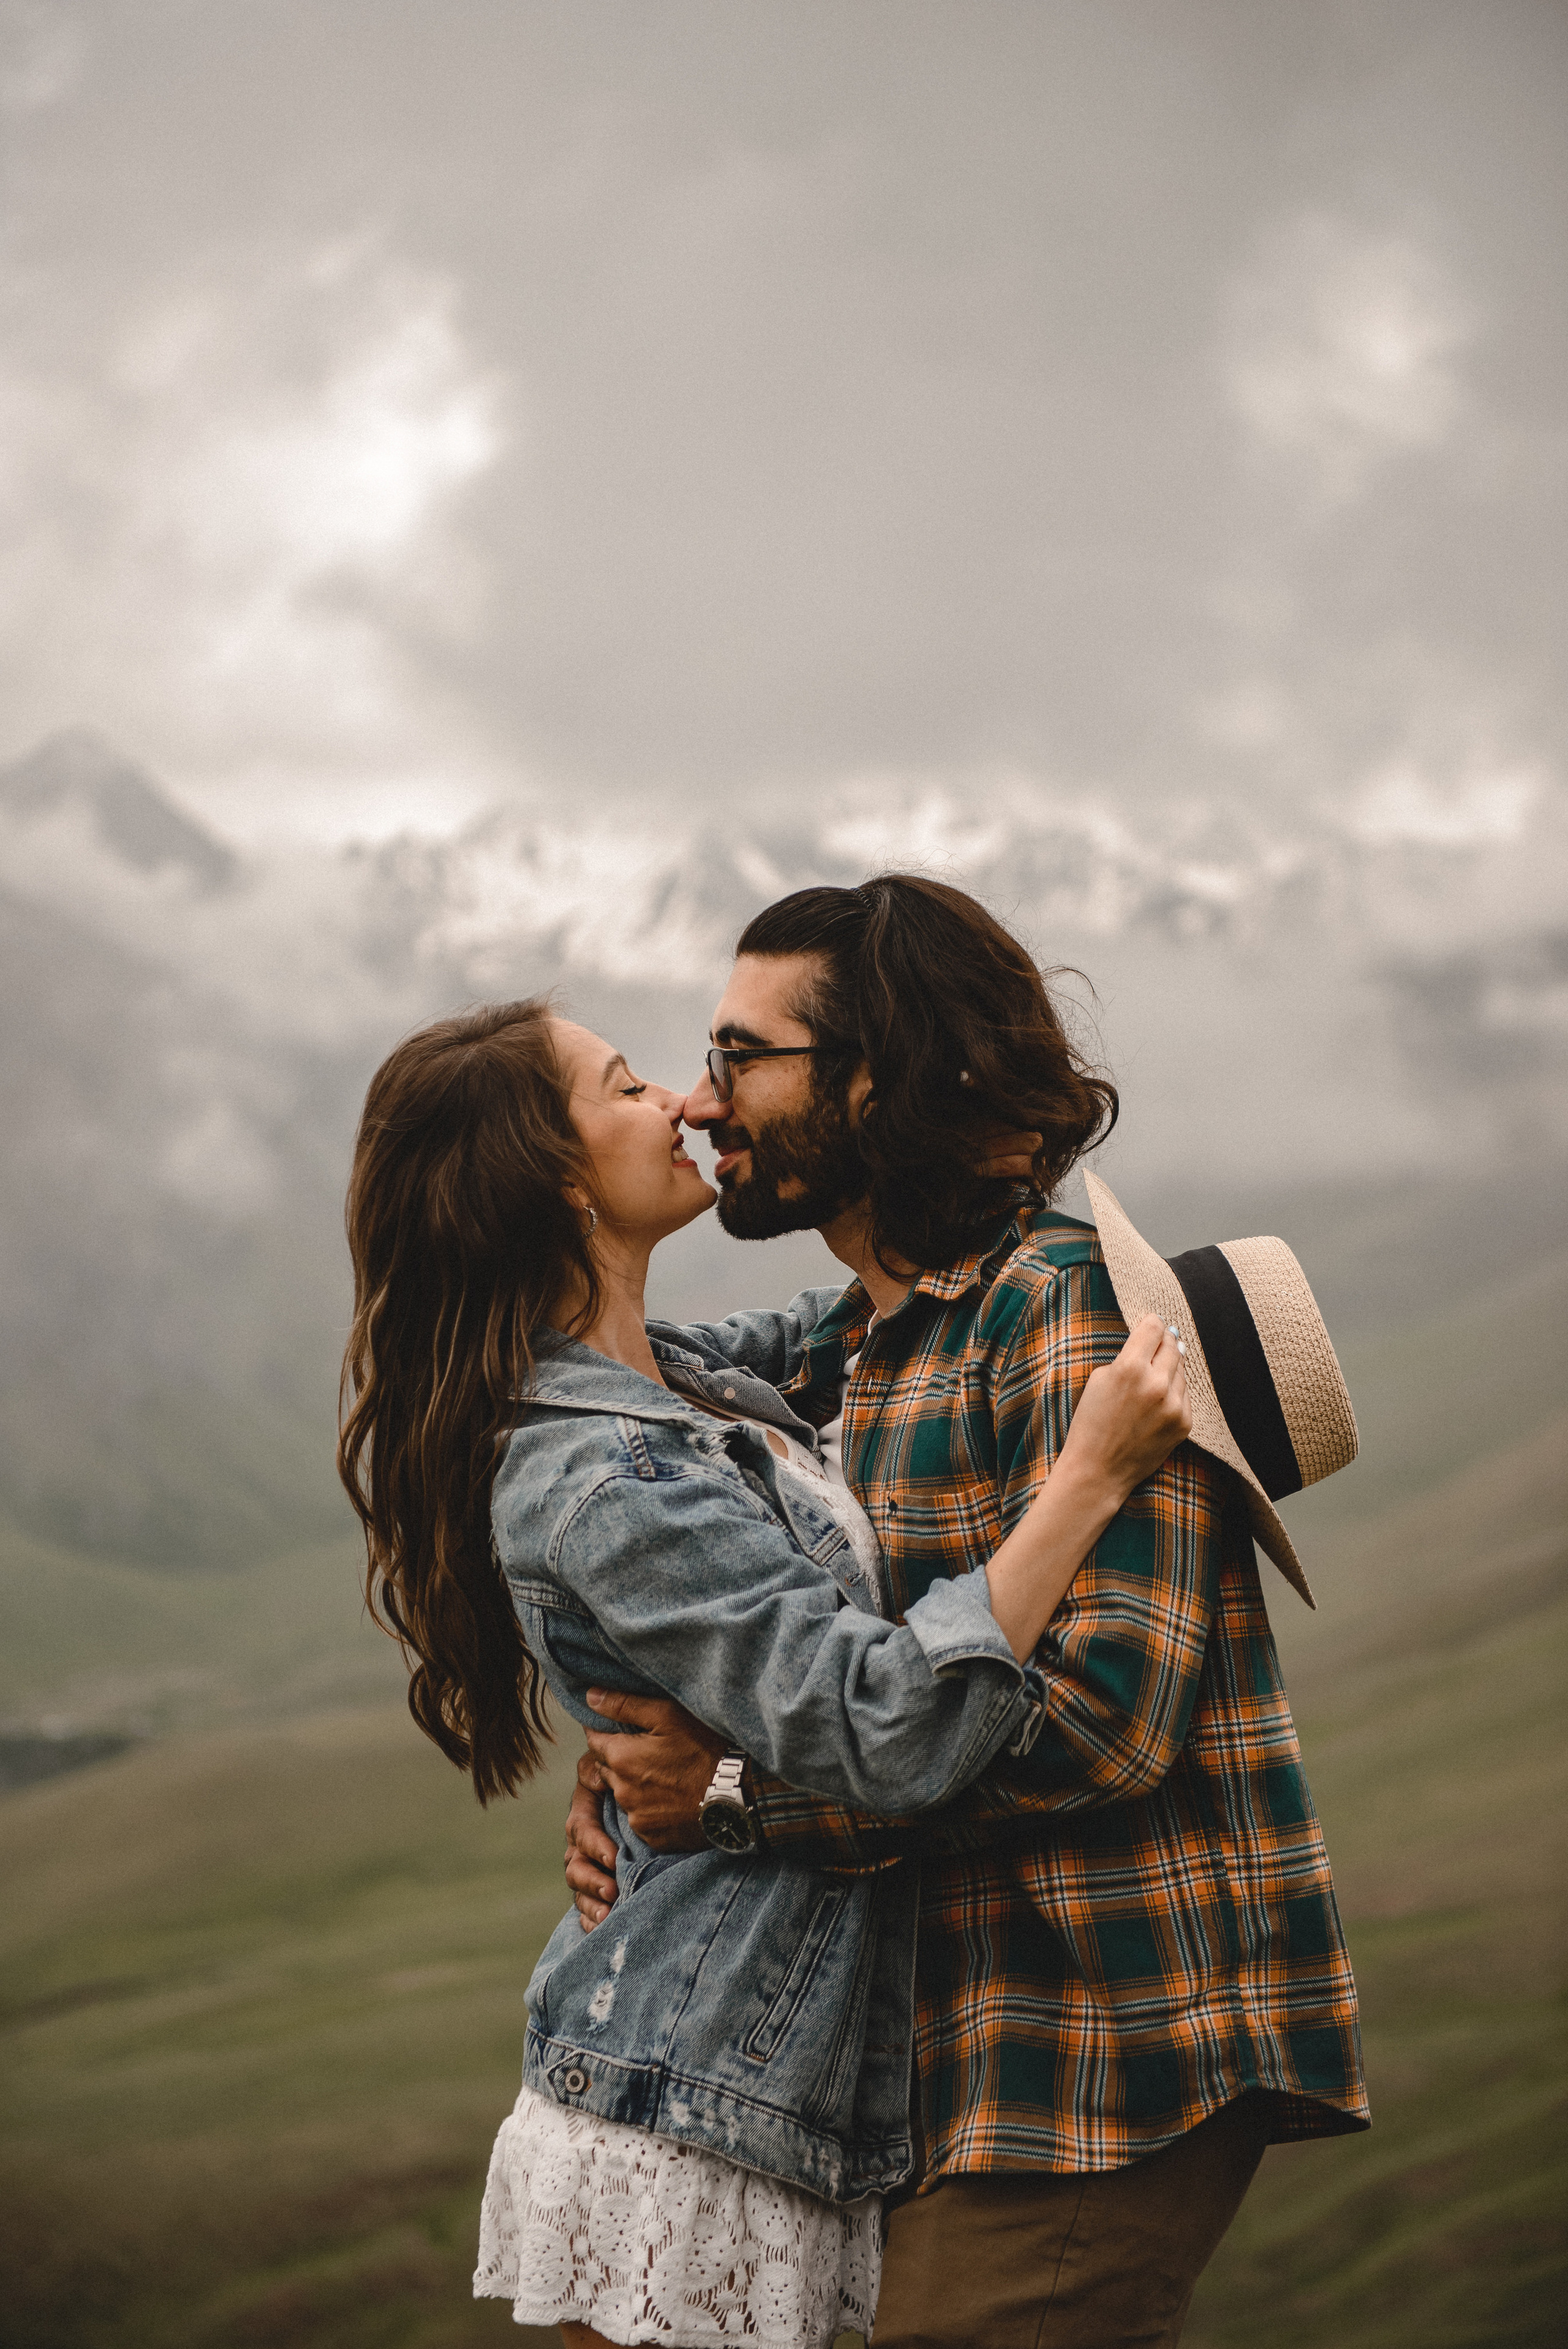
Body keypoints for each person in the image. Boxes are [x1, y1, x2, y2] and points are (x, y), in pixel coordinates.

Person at [565, 874, 1371, 2349]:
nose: (701, 1097)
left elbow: (1100, 1722)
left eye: (741, 1054)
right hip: (941, 2046)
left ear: (873, 1082)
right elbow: (736, 1571)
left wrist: (728, 1801)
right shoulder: (862, 1338)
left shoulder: (1071, 1319)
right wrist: (632, 1768)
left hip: (1099, 2034)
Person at [336, 992, 1193, 2349]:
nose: (680, 1101)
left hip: (748, 2083)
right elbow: (888, 1724)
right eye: (628, 1087)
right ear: (556, 1181)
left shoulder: (682, 1381)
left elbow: (885, 1308)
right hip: (686, 2102)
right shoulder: (608, 1476)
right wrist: (1085, 1478)